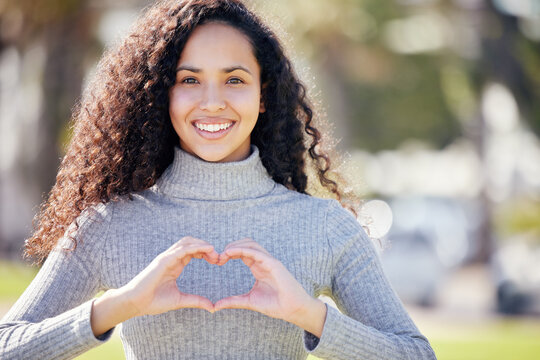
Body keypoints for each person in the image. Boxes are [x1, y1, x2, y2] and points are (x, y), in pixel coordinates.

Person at [0, 0, 437, 359]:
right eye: (189, 79)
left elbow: (416, 355)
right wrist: (121, 305)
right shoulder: (108, 225)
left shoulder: (325, 227)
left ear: (263, 96)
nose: (212, 102)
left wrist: (309, 314)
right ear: (161, 94)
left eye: (235, 79)